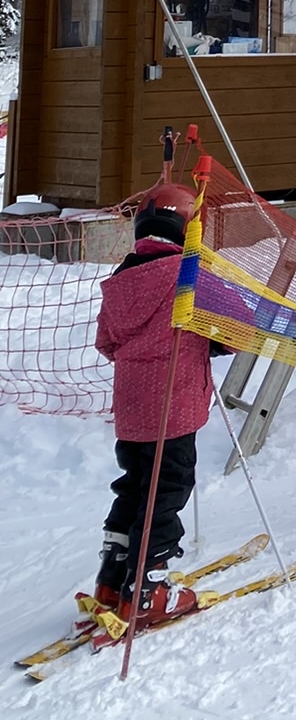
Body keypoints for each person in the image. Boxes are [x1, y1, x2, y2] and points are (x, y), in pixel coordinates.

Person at [90, 183, 212, 628]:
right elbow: (229, 325)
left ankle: (113, 575)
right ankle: (148, 587)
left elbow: (107, 341)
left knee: (136, 483)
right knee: (166, 491)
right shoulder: (188, 273)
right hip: (174, 406)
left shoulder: (122, 277)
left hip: (132, 406)